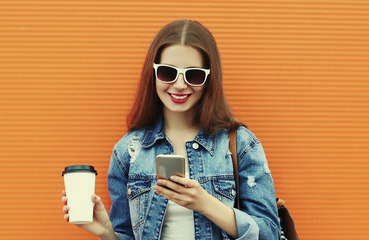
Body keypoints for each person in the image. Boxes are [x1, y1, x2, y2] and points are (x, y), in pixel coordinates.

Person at [62, 19, 281, 240]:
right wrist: (106, 232)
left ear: (208, 79)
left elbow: (269, 234)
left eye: (193, 75)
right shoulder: (128, 151)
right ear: (153, 73)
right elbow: (127, 234)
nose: (179, 84)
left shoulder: (240, 144)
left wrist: (205, 204)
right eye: (168, 72)